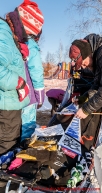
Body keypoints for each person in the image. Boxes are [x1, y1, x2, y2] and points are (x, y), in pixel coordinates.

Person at [6, 0, 45, 141]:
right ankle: (24, 148)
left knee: (13, 126)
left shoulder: (14, 41)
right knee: (28, 124)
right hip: (28, 95)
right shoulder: (32, 46)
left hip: (14, 94)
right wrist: (40, 95)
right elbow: (36, 71)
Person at [0, 16, 29, 156]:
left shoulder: (8, 36)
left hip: (10, 105)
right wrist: (20, 82)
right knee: (7, 148)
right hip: (6, 108)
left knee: (11, 144)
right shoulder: (3, 34)